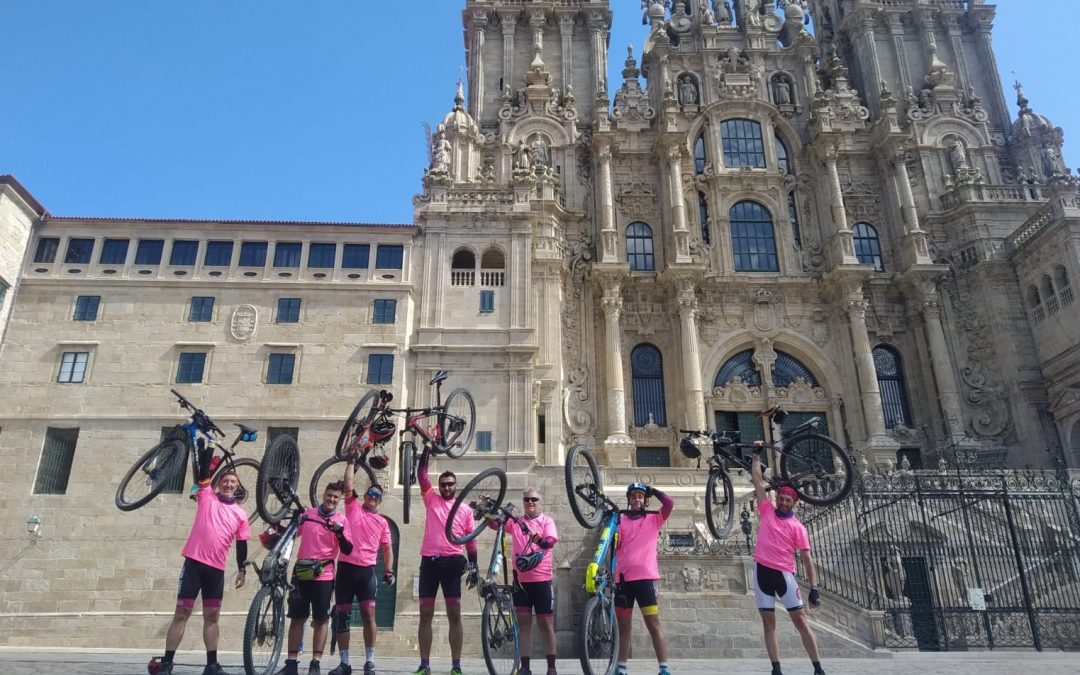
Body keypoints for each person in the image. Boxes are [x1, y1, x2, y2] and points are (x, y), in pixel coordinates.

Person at [154, 443, 250, 675]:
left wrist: (242, 569)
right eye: (225, 481)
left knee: (213, 617)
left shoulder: (240, 513)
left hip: (216, 570)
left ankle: (212, 665)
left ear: (237, 487)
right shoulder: (207, 496)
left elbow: (242, 543)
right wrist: (209, 447)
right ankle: (167, 663)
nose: (229, 484)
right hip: (194, 565)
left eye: (233, 482)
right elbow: (204, 472)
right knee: (181, 614)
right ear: (218, 484)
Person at [751, 445, 825, 675]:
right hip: (761, 572)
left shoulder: (797, 527)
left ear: (794, 503)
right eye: (781, 499)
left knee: (801, 621)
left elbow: (807, 559)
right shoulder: (766, 510)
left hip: (784, 575)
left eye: (787, 500)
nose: (783, 502)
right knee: (768, 624)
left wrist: (814, 588)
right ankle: (776, 669)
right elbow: (757, 482)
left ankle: (818, 668)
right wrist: (756, 456)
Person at [276, 482, 354, 675]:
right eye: (329, 495)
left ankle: (315, 663)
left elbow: (347, 549)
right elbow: (291, 534)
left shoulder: (341, 520)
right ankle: (291, 663)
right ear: (323, 495)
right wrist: (278, 525)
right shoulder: (308, 514)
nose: (331, 499)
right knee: (297, 618)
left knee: (321, 620)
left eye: (335, 497)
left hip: (323, 576)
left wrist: (339, 533)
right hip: (301, 574)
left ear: (339, 500)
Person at [413, 447, 479, 675]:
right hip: (429, 563)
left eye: (450, 484)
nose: (447, 487)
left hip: (452, 563)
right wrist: (426, 449)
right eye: (443, 484)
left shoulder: (465, 510)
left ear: (456, 485)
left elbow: (470, 540)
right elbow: (422, 475)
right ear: (439, 486)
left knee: (454, 615)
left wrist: (474, 565)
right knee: (425, 614)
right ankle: (424, 665)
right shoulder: (431, 499)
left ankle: (456, 666)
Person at [329, 461, 395, 675]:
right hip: (345, 570)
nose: (373, 497)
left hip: (366, 573)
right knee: (343, 618)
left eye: (377, 496)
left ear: (380, 501)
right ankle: (344, 663)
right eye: (370, 494)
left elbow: (387, 548)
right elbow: (348, 486)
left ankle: (370, 661)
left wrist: (389, 570)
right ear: (365, 496)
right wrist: (351, 462)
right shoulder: (353, 508)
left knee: (369, 617)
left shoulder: (383, 523)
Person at [614, 482, 674, 675]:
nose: (637, 499)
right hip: (623, 580)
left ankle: (663, 668)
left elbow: (669, 503)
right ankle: (621, 668)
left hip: (645, 580)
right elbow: (615, 545)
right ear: (628, 499)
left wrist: (653, 490)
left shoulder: (654, 518)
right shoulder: (620, 520)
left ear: (645, 500)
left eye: (640, 496)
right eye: (633, 496)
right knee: (624, 627)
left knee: (653, 624)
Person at [497, 488, 559, 675]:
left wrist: (539, 540)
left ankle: (551, 667)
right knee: (523, 624)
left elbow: (550, 541)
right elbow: (496, 524)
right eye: (526, 499)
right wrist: (482, 511)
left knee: (545, 624)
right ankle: (525, 667)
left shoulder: (546, 521)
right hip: (521, 582)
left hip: (542, 580)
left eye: (534, 499)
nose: (530, 502)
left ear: (540, 502)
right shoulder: (516, 522)